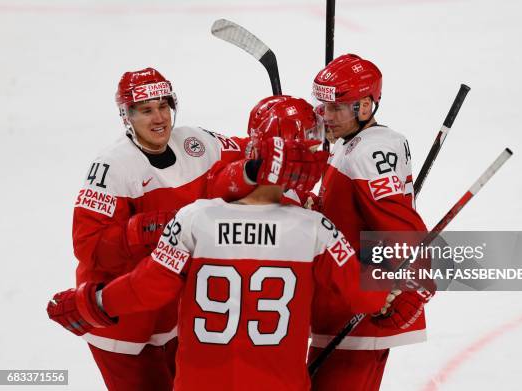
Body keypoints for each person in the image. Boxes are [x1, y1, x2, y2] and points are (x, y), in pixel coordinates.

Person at [47, 96, 402, 391]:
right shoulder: (315, 230)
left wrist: (90, 303)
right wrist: (392, 284)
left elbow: (146, 288)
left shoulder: (193, 219)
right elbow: (368, 298)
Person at [69, 68, 324, 391]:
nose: (159, 118)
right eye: (147, 110)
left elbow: (255, 151)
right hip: (123, 319)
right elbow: (89, 249)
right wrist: (147, 228)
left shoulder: (194, 142)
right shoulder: (111, 167)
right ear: (126, 116)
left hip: (172, 308)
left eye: (164, 106)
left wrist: (287, 137)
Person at [305, 54, 432, 390]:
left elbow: (402, 228)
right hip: (343, 301)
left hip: (359, 312)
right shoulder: (353, 143)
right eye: (324, 105)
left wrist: (413, 290)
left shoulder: (367, 153)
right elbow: (354, 216)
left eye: (336, 108)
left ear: (364, 108)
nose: (325, 116)